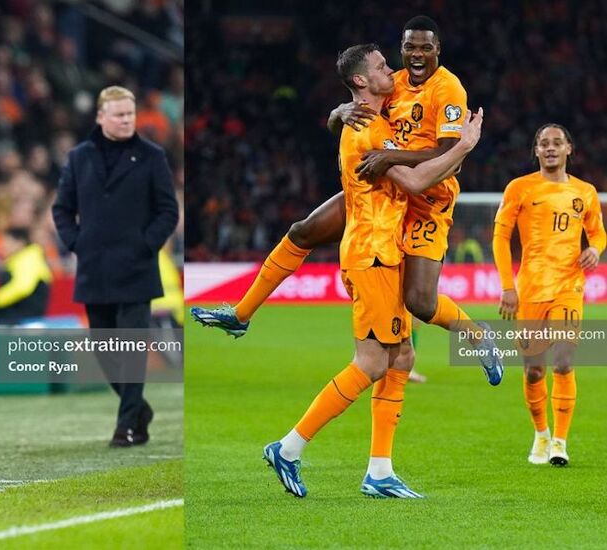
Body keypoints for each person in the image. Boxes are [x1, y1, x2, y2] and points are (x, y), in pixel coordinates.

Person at [191, 15, 503, 385]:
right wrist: (337, 113)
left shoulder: (448, 89)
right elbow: (354, 115)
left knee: (419, 301)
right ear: (401, 48)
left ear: (438, 50)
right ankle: (241, 314)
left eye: (425, 47)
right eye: (409, 47)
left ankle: (478, 335)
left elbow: (448, 150)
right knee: (303, 231)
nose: (416, 55)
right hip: (385, 186)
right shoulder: (393, 83)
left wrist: (392, 156)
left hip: (428, 198)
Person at [263, 43, 484, 498]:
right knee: (371, 362)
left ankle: (380, 472)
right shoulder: (369, 127)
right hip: (372, 252)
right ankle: (288, 447)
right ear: (363, 81)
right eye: (386, 63)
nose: (396, 68)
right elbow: (420, 179)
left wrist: (338, 112)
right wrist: (464, 145)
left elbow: (365, 125)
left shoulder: (375, 111)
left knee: (402, 356)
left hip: (385, 248)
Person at [52, 86, 179, 447]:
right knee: (105, 353)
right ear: (101, 116)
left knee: (131, 349)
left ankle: (125, 426)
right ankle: (138, 409)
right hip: (94, 269)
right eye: (119, 114)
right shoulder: (79, 157)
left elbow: (167, 210)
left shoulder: (152, 156)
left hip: (136, 270)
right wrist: (78, 242)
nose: (126, 120)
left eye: (130, 114)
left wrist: (145, 244)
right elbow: (62, 208)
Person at [493, 124, 606, 467]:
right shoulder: (520, 188)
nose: (551, 148)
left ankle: (560, 442)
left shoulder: (585, 192)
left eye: (558, 143)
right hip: (529, 290)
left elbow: (598, 234)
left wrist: (596, 251)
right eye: (544, 143)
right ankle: (541, 434)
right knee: (533, 371)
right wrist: (507, 287)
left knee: (564, 361)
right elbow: (500, 238)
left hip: (569, 288)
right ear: (537, 151)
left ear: (570, 148)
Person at [0, 227, 52, 324]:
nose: (5, 245)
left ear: (20, 242)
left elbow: (22, 287)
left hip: (25, 315)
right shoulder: (16, 259)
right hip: (17, 313)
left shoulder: (29, 258)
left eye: (9, 242)